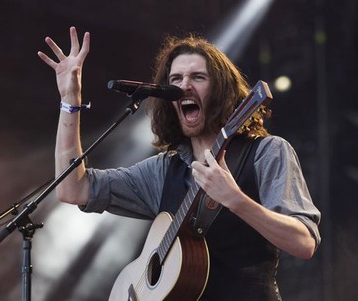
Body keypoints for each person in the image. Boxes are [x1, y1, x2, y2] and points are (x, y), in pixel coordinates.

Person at [38, 27, 321, 300]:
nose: (184, 86)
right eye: (175, 79)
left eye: (198, 77)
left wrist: (236, 200)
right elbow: (72, 189)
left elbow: (304, 243)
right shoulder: (164, 170)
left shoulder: (266, 152)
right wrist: (69, 101)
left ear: (221, 90)